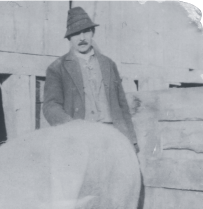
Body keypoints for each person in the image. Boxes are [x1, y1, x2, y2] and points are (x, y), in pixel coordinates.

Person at [43, 6, 139, 152]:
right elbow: (51, 107)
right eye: (76, 33)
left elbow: (122, 104)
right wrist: (73, 127)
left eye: (86, 31)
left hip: (113, 135)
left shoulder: (108, 64)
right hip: (80, 138)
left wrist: (131, 139)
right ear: (69, 37)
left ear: (92, 32)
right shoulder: (57, 68)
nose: (82, 38)